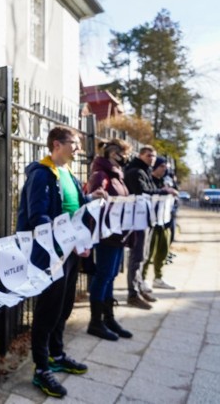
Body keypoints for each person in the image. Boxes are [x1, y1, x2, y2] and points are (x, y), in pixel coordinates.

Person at [16, 126, 106, 398]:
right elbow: (38, 216)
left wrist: (91, 199)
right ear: (57, 144)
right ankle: (41, 369)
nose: (78, 148)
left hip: (68, 253)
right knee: (47, 311)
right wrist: (64, 235)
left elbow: (73, 205)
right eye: (74, 143)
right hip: (49, 255)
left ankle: (56, 354)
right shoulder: (42, 174)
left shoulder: (68, 173)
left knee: (64, 307)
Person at [85, 139, 133, 341]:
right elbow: (93, 201)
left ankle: (108, 317)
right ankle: (96, 322)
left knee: (111, 274)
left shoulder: (117, 175)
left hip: (118, 233)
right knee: (103, 275)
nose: (125, 158)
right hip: (106, 234)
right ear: (113, 154)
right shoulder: (101, 174)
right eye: (123, 154)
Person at [123, 147, 178, 310]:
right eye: (149, 156)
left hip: (145, 218)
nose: (152, 159)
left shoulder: (143, 170)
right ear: (141, 155)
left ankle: (139, 289)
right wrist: (163, 191)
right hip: (137, 218)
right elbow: (143, 192)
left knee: (143, 256)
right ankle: (133, 294)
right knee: (137, 257)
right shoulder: (136, 171)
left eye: (154, 156)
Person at [142, 156, 177, 290]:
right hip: (152, 221)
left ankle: (158, 277)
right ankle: (143, 278)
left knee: (163, 251)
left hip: (166, 220)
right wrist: (164, 191)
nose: (164, 169)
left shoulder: (166, 180)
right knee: (148, 252)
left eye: (165, 167)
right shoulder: (150, 180)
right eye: (162, 166)